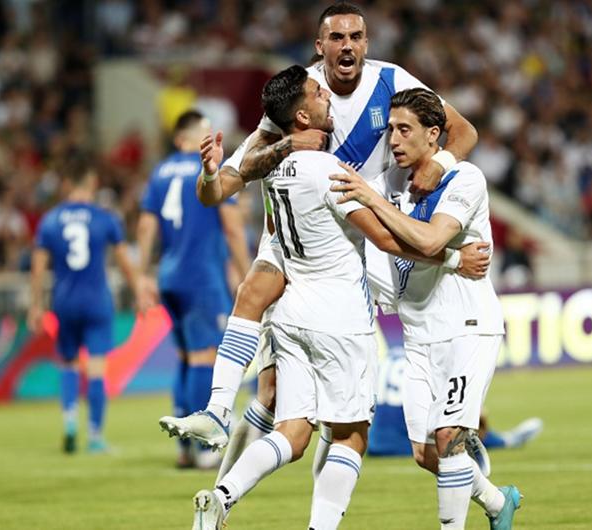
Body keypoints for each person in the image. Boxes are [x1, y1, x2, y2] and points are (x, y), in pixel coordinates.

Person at [161, 1, 480, 475]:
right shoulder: (300, 95)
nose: (347, 45)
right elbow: (222, 186)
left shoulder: (392, 81)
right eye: (337, 37)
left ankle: (463, 439)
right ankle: (219, 456)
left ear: (366, 43)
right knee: (269, 381)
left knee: (365, 402)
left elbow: (464, 131)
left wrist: (440, 163)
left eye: (355, 36)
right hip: (300, 241)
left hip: (364, 237)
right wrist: (285, 145)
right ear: (320, 46)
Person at [331, 88, 521, 529]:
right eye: (390, 129)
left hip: (467, 326)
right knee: (424, 452)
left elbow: (432, 239)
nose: (393, 139)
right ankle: (497, 502)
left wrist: (372, 199)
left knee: (449, 436)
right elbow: (377, 232)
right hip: (418, 335)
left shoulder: (465, 179)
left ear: (433, 135)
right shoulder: (389, 183)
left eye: (405, 130)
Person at [138, 110, 250, 468]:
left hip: (169, 275)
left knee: (187, 357)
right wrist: (248, 275)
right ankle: (204, 449)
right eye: (204, 132)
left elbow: (146, 226)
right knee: (205, 356)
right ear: (184, 138)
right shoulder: (209, 169)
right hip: (201, 274)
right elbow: (232, 227)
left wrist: (142, 275)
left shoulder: (159, 172)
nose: (209, 139)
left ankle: (184, 448)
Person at [28, 157, 139, 454]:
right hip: (96, 301)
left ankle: (69, 424)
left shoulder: (50, 220)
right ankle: (95, 436)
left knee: (68, 363)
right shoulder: (104, 218)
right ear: (92, 183)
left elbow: (38, 268)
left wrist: (36, 305)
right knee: (97, 368)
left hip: (64, 302)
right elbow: (124, 261)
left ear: (66, 185)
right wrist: (139, 290)